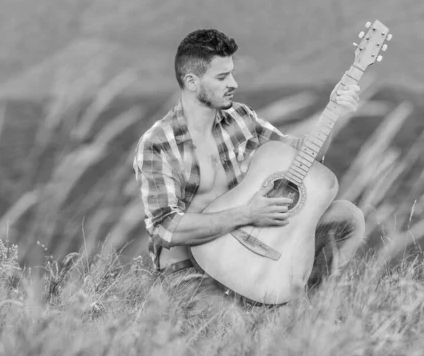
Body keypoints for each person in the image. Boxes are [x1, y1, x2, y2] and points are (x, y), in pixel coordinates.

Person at [132, 29, 365, 307]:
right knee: (234, 331)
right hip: (190, 269)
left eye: (231, 73)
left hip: (253, 248)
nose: (234, 83)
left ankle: (306, 307)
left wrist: (333, 110)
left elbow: (301, 158)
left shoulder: (241, 118)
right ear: (191, 81)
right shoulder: (158, 143)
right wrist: (247, 214)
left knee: (347, 216)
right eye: (222, 77)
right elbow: (165, 229)